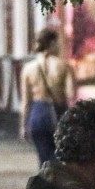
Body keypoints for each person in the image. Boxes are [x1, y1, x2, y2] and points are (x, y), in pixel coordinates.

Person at [19, 27, 75, 166]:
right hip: (59, 112)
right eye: (57, 43)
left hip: (37, 113)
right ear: (52, 44)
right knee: (61, 157)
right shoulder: (64, 66)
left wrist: (23, 125)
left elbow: (26, 101)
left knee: (43, 158)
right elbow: (70, 94)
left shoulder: (28, 69)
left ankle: (45, 183)